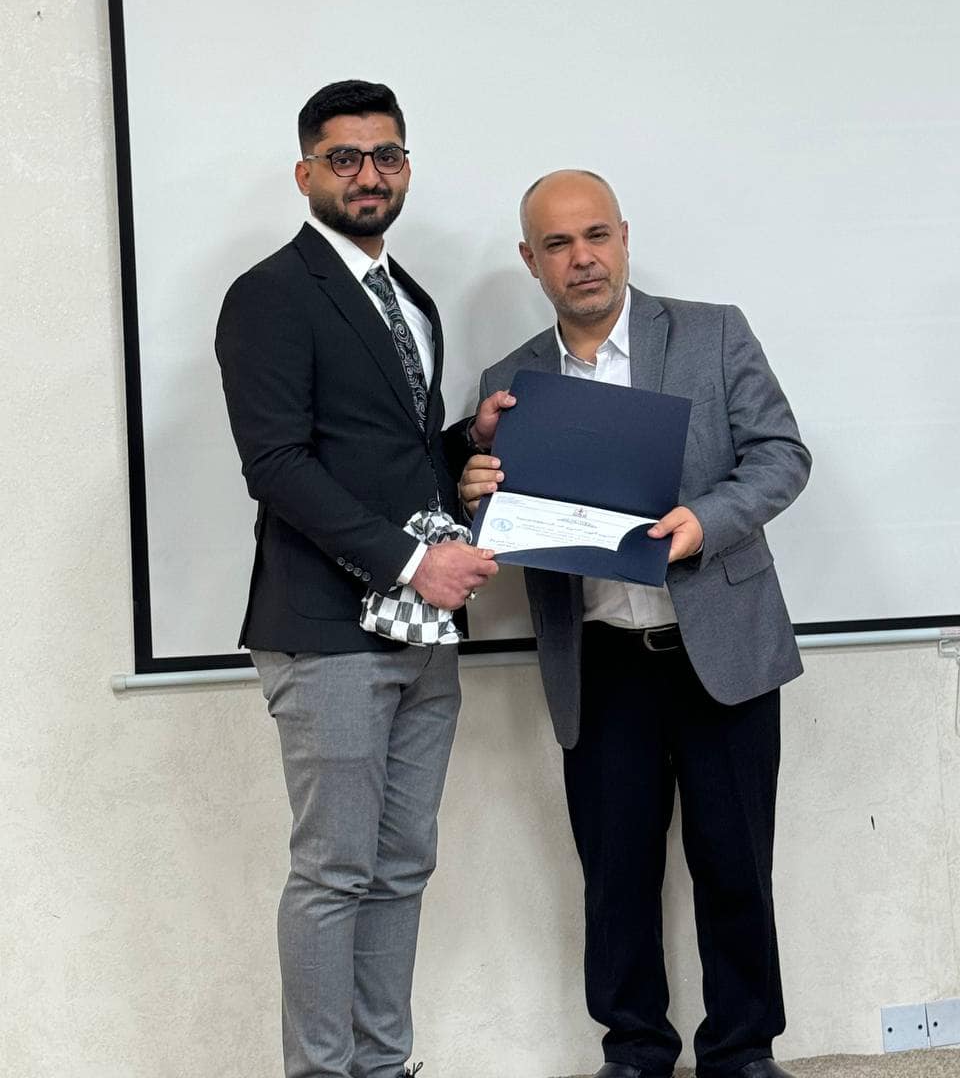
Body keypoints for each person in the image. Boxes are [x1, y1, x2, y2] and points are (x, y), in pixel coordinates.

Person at [461, 169, 812, 1078]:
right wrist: (475, 488)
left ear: (623, 236)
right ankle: (634, 1052)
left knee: (736, 865)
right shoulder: (509, 385)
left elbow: (781, 455)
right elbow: (500, 519)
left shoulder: (712, 333)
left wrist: (708, 521)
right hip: (601, 663)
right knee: (615, 874)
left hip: (720, 650)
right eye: (558, 244)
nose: (582, 258)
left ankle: (743, 1051)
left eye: (596, 236)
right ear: (531, 260)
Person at [216, 80, 497, 1078]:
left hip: (421, 633)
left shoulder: (410, 297)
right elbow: (278, 465)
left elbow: (389, 453)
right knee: (334, 871)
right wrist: (418, 560)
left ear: (406, 167)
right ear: (306, 174)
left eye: (386, 155)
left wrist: (464, 441)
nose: (368, 174)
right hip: (325, 628)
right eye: (344, 158)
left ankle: (385, 1065)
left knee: (402, 863)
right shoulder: (270, 294)